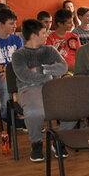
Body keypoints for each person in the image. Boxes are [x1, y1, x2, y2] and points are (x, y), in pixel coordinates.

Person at [11, 19, 68, 162]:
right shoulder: (19, 55)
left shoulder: (50, 50)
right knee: (34, 112)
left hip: (52, 86)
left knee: (74, 107)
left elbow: (64, 67)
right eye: (43, 33)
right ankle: (36, 143)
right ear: (33, 35)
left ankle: (59, 138)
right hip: (29, 88)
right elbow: (24, 76)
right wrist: (50, 72)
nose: (47, 35)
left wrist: (41, 69)